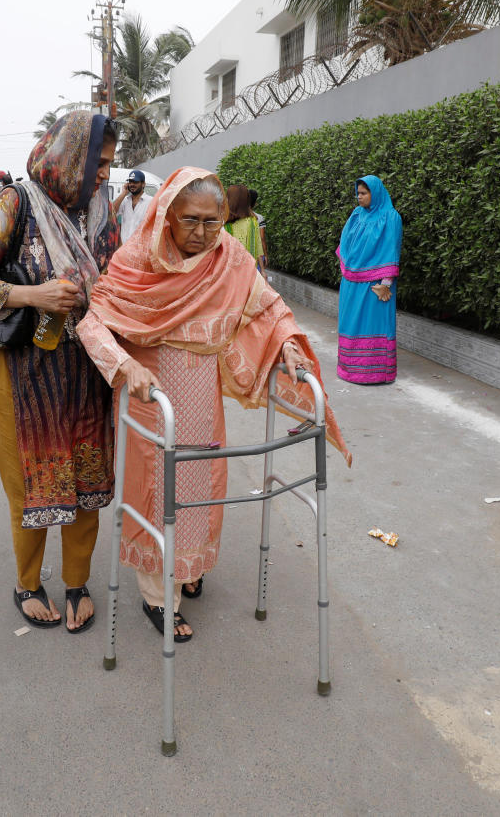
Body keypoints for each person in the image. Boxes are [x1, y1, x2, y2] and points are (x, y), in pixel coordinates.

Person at [79, 166, 351, 641]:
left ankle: (186, 569)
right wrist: (125, 366)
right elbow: (93, 322)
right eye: (190, 220)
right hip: (150, 396)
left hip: (201, 396)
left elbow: (269, 306)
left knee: (200, 483)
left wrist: (286, 343)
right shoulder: (136, 259)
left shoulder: (228, 257)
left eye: (212, 221)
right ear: (167, 215)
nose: (202, 233)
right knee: (155, 489)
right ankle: (157, 596)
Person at [0, 111, 120, 632]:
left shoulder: (100, 210)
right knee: (29, 481)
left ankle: (77, 581)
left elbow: (118, 277)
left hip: (88, 367)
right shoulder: (16, 202)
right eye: (97, 163)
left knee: (89, 475)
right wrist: (36, 294)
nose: (103, 175)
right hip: (25, 368)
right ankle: (27, 583)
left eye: (109, 165)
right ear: (69, 155)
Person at [336, 175, 402, 385]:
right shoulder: (357, 214)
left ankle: (374, 372)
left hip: (376, 286)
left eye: (364, 193)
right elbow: (345, 241)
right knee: (351, 325)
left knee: (373, 326)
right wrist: (348, 268)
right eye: (358, 193)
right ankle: (350, 369)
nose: (359, 197)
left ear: (376, 194)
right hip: (351, 282)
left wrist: (386, 283)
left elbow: (392, 249)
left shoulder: (391, 218)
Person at [224, 184, 267, 276]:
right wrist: (262, 270)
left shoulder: (222, 223)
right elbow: (258, 246)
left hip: (227, 272)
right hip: (248, 272)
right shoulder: (252, 222)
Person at [111, 169, 154, 244]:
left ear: (143, 184)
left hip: (140, 249)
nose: (132, 184)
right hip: (124, 248)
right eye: (130, 182)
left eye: (135, 182)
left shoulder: (151, 201)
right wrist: (123, 193)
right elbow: (111, 212)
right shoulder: (125, 200)